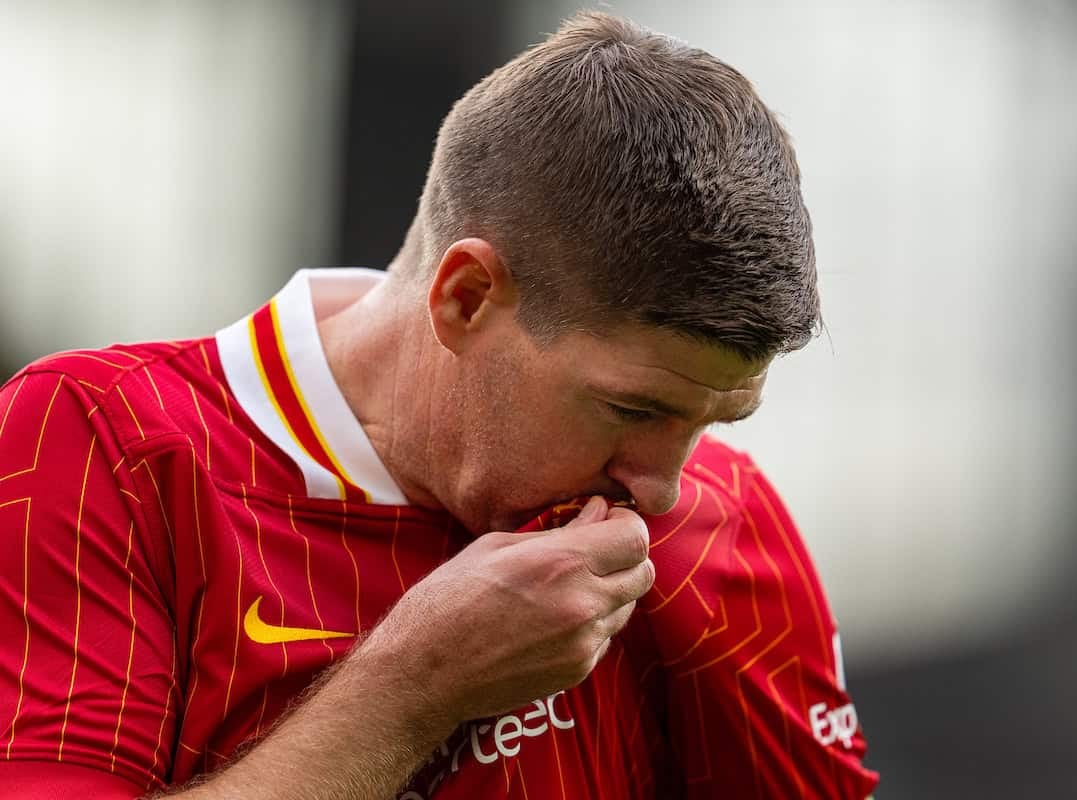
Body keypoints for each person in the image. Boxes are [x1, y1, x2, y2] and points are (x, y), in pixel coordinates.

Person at [0, 12, 878, 800]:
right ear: (466, 297)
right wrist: (416, 686)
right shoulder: (99, 442)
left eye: (712, 420)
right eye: (630, 409)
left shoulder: (721, 529)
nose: (663, 489)